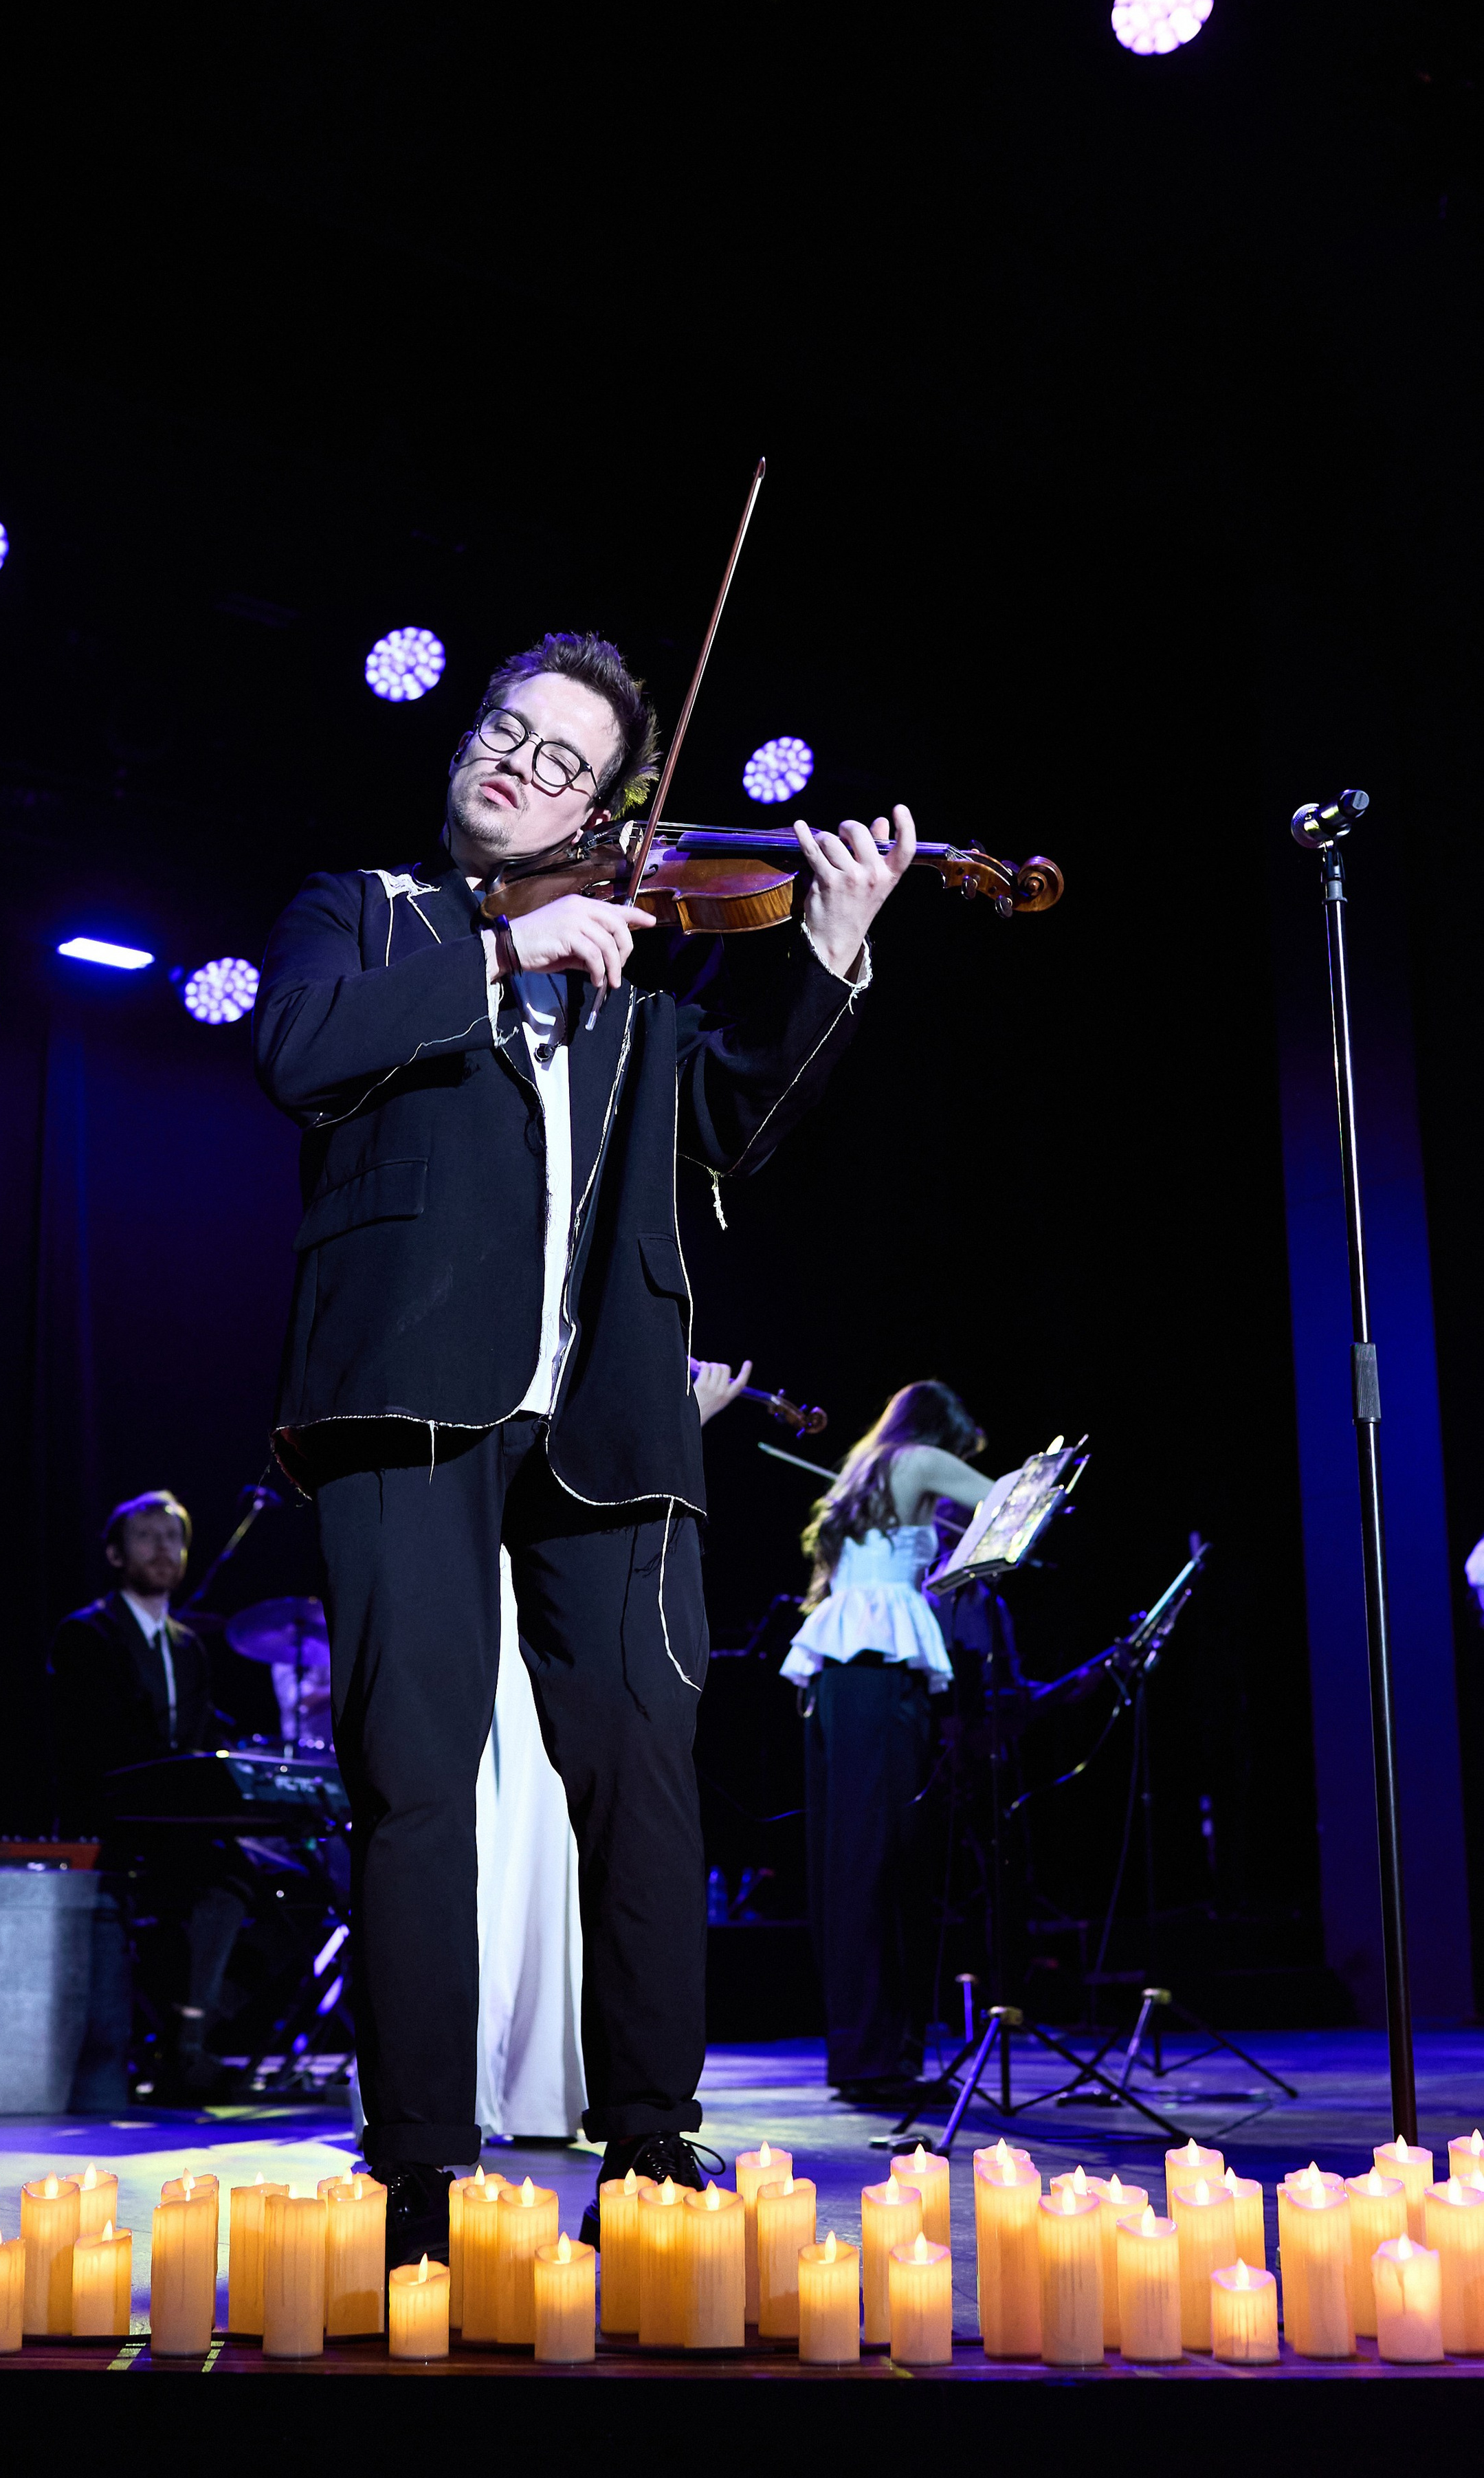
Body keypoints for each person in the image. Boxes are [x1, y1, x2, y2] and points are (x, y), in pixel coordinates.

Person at [254, 628, 915, 2261]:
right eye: (505, 730)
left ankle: (648, 2145)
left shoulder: (637, 978)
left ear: (604, 806)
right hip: (402, 1387)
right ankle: (415, 2158)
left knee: (644, 1780)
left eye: (561, 760)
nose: (516, 764)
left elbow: (740, 1125)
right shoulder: (364, 910)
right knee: (408, 1783)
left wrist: (829, 952)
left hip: (610, 1421)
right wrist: (499, 954)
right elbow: (297, 1050)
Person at [475, 1356, 753, 2144]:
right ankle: (476, 2078)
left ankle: (546, 2087)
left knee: (565, 1839)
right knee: (497, 1831)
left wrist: (678, 1415)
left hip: (575, 1568)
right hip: (503, 1567)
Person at [782, 1380, 995, 2106]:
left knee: (848, 1863)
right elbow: (1007, 1503)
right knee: (880, 1860)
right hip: (878, 1670)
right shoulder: (920, 1460)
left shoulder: (864, 1471)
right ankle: (879, 2060)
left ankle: (865, 2050)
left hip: (839, 1677)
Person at [49, 1490, 241, 2102]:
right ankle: (173, 2049)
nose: (164, 1550)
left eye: (174, 1538)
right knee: (214, 1878)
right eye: (147, 1537)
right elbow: (98, 1744)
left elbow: (205, 1732)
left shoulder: (188, 1646)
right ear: (115, 1552)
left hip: (174, 1822)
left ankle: (188, 2039)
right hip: (114, 1823)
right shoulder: (87, 1634)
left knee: (249, 1880)